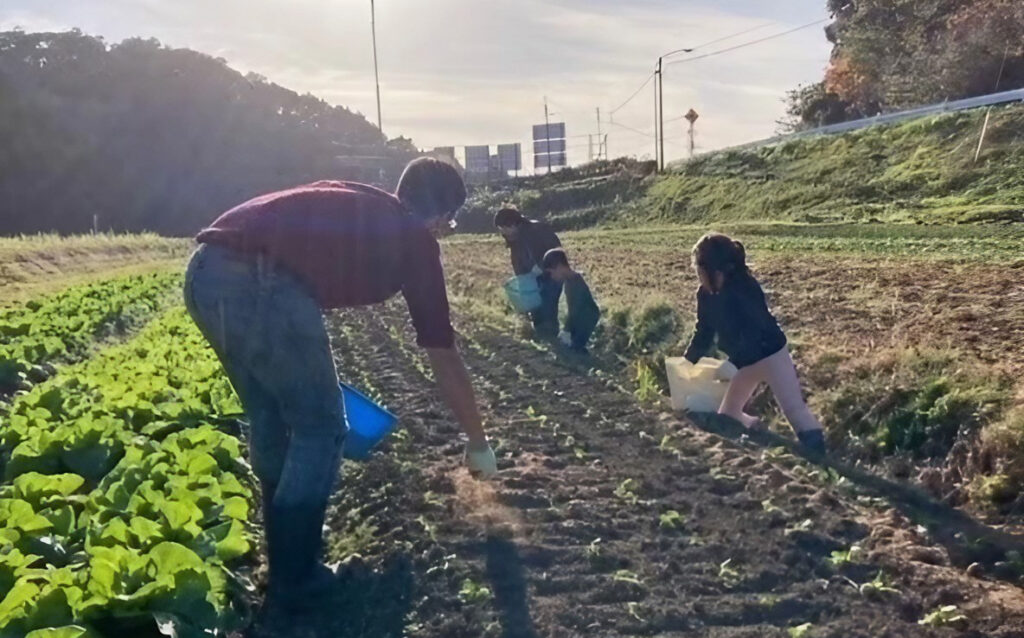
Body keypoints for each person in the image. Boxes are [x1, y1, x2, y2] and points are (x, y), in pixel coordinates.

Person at [183, 158, 498, 611]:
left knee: (272, 417)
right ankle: (298, 578)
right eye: (448, 223)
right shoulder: (414, 237)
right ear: (439, 216)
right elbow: (442, 352)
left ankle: (283, 568)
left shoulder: (365, 201)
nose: (444, 232)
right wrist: (477, 440)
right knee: (323, 427)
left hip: (204, 273)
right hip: (259, 281)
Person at [682, 232, 826, 455]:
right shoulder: (705, 296)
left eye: (699, 270)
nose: (698, 276)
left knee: (794, 409)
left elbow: (756, 330)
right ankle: (755, 428)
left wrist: (735, 362)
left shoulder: (745, 288)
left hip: (770, 355)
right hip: (745, 363)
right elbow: (704, 332)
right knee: (728, 416)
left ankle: (820, 456)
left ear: (715, 270)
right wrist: (687, 363)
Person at [493, 207, 562, 338]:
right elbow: (518, 263)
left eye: (503, 228)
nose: (502, 232)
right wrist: (522, 284)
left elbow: (554, 253)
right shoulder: (515, 238)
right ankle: (546, 341)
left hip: (551, 277)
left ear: (512, 224)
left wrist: (540, 268)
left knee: (548, 312)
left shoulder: (534, 231)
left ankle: (553, 342)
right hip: (535, 279)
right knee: (537, 312)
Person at [541, 248, 600, 354]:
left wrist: (566, 330)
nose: (552, 277)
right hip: (581, 318)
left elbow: (575, 309)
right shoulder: (569, 280)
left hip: (587, 319)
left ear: (559, 267)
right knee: (570, 347)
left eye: (551, 272)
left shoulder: (575, 282)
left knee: (575, 350)